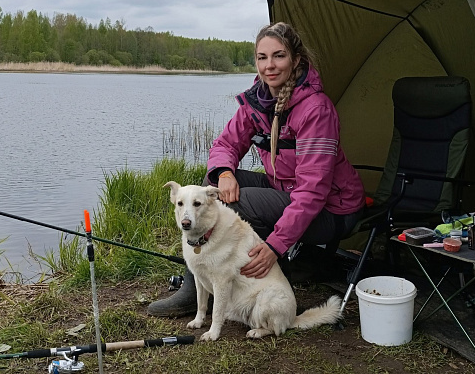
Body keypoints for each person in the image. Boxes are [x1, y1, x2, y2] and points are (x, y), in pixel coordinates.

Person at [148, 22, 365, 317]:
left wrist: (275, 246)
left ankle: (253, 273)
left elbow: (313, 191)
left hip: (334, 208)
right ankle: (200, 282)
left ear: (296, 60)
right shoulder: (258, 100)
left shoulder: (317, 109)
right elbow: (225, 143)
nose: (269, 66)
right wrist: (224, 173)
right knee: (208, 190)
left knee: (242, 202)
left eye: (279, 56)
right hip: (285, 190)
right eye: (262, 58)